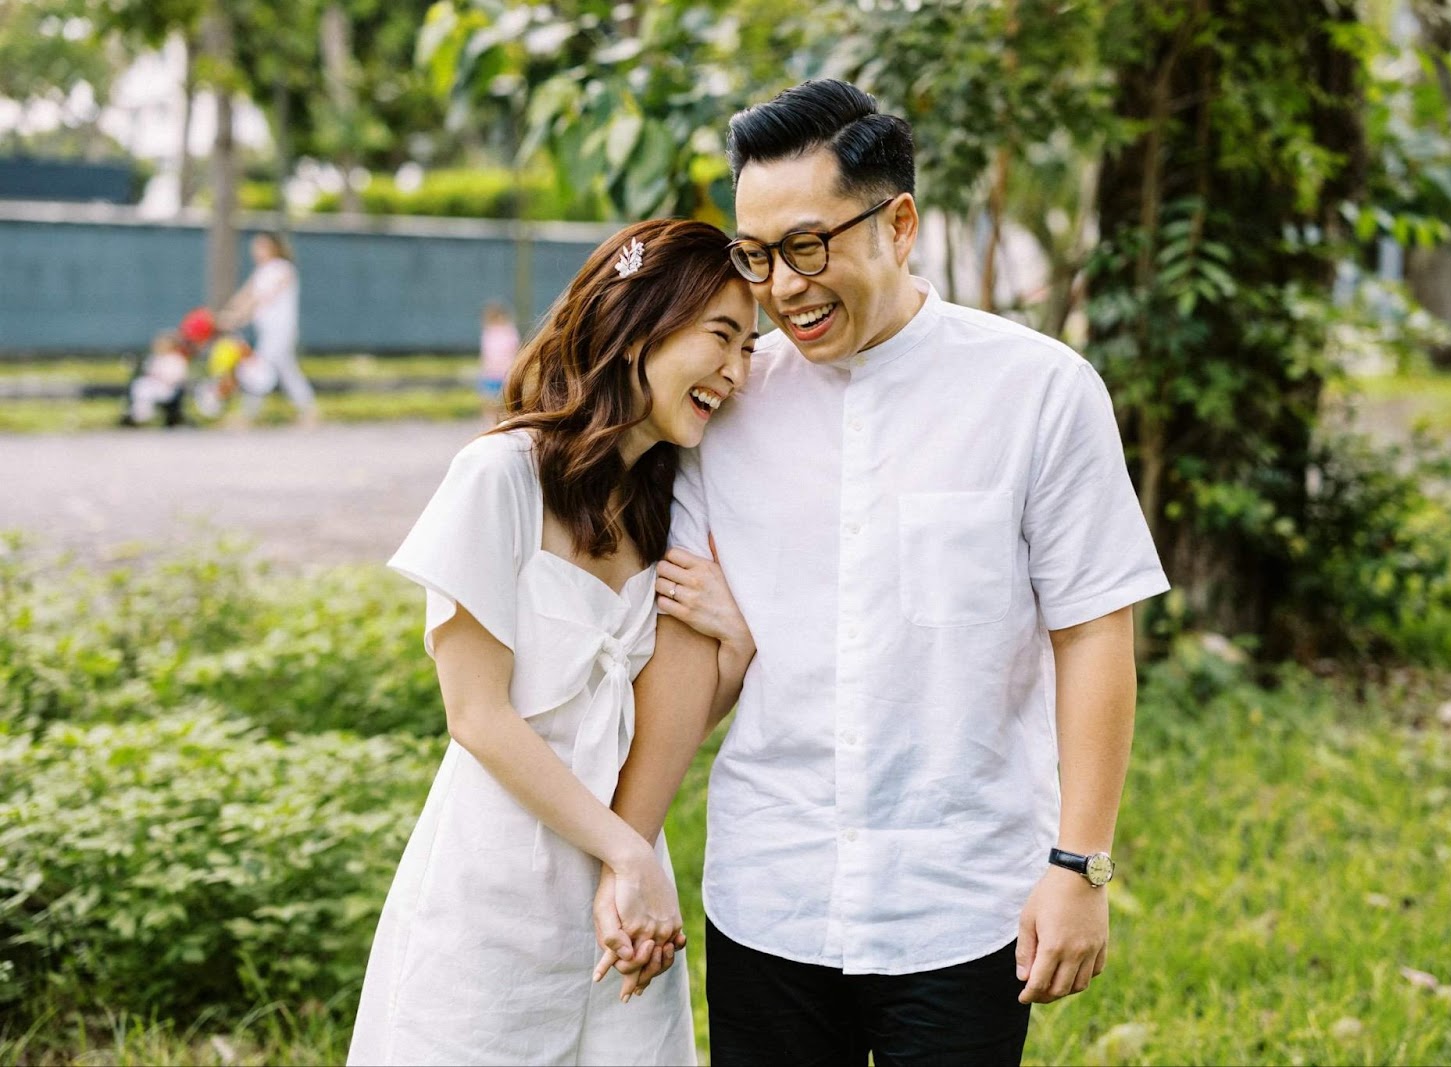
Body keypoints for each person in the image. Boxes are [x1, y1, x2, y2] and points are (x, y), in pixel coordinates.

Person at [593, 80, 1171, 1064]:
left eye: (809, 246)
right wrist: (626, 849)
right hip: (769, 885)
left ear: (899, 224)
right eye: (758, 254)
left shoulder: (1037, 391)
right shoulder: (725, 406)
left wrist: (1080, 863)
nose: (782, 286)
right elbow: (688, 630)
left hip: (959, 897)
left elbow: (1091, 629)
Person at [347, 218, 760, 1066]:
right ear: (639, 318)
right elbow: (477, 716)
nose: (738, 372)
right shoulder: (500, 476)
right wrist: (625, 852)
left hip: (624, 891)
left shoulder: (666, 505)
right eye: (722, 335)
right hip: (496, 880)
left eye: (750, 348)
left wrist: (737, 650)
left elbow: (655, 724)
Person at [219, 232, 317, 426]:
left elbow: (262, 298)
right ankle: (309, 411)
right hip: (268, 330)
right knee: (286, 370)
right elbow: (246, 295)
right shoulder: (262, 271)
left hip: (281, 330)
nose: (257, 251)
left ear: (274, 247)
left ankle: (246, 415)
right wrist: (227, 312)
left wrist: (238, 318)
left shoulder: (283, 269)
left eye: (262, 246)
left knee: (259, 368)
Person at [121, 330, 192, 427]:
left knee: (145, 389)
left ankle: (141, 415)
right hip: (153, 386)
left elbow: (177, 378)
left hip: (168, 389)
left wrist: (162, 379)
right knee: (140, 385)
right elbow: (147, 373)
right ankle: (137, 415)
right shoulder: (155, 358)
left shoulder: (176, 359)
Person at [478, 300, 520, 423]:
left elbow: (514, 351)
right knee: (489, 400)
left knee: (505, 401)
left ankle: (503, 422)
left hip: (505, 372)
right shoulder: (488, 332)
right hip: (491, 372)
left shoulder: (509, 332)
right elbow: (485, 353)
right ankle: (491, 422)